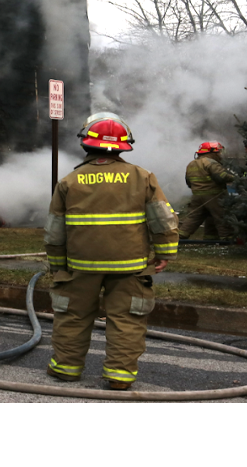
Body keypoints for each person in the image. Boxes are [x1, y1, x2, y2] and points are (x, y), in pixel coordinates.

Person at [44, 112, 179, 390]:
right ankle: (119, 376)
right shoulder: (142, 177)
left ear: (85, 144)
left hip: (79, 266)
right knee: (127, 319)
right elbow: (162, 219)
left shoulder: (70, 181)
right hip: (130, 266)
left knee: (73, 316)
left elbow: (55, 231)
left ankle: (67, 369)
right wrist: (165, 253)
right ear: (124, 146)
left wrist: (58, 265)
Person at [178, 142, 235, 239]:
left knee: (194, 217)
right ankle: (227, 237)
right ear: (212, 152)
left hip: (196, 195)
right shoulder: (211, 163)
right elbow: (222, 176)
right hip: (214, 195)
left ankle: (180, 236)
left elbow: (188, 181)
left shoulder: (191, 164)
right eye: (219, 152)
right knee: (221, 215)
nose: (220, 154)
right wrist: (236, 178)